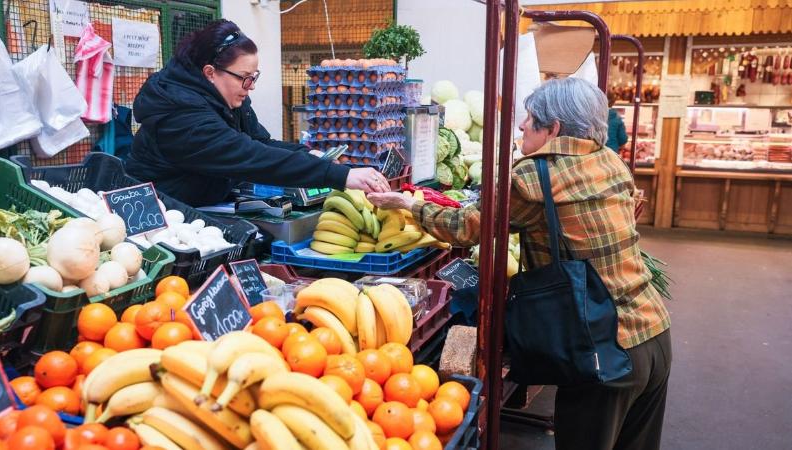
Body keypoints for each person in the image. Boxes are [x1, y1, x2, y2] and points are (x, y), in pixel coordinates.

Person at [369, 78, 671, 450]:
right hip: (654, 333)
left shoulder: (535, 176)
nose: (522, 126)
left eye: (529, 119)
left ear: (554, 128)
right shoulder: (609, 160)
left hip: (603, 349)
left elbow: (466, 227)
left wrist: (409, 204)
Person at [126, 20, 389, 207]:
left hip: (203, 205)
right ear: (210, 73)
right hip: (165, 216)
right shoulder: (180, 114)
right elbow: (247, 154)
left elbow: (259, 141)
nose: (249, 88)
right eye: (244, 78)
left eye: (253, 78)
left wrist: (310, 154)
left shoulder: (227, 98)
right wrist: (339, 176)